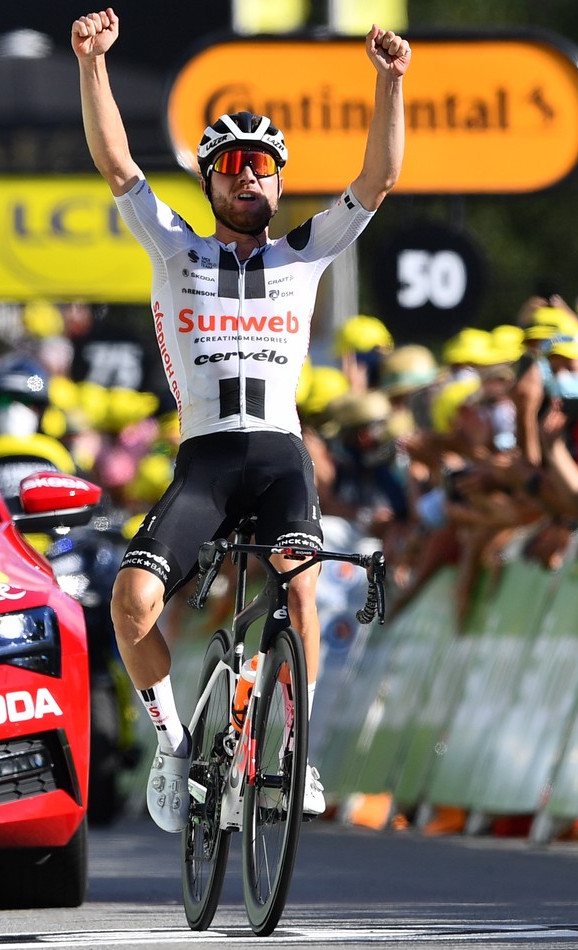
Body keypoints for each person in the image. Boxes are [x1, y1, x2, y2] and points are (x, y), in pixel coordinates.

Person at [73, 6, 409, 831]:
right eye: (230, 167)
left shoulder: (306, 253)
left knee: (300, 591)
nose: (247, 177)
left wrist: (390, 81)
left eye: (261, 166)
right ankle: (173, 745)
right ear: (211, 182)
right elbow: (118, 166)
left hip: (282, 457)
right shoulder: (175, 248)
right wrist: (92, 65)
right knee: (131, 603)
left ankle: (295, 750)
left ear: (279, 181)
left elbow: (379, 180)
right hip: (206, 464)